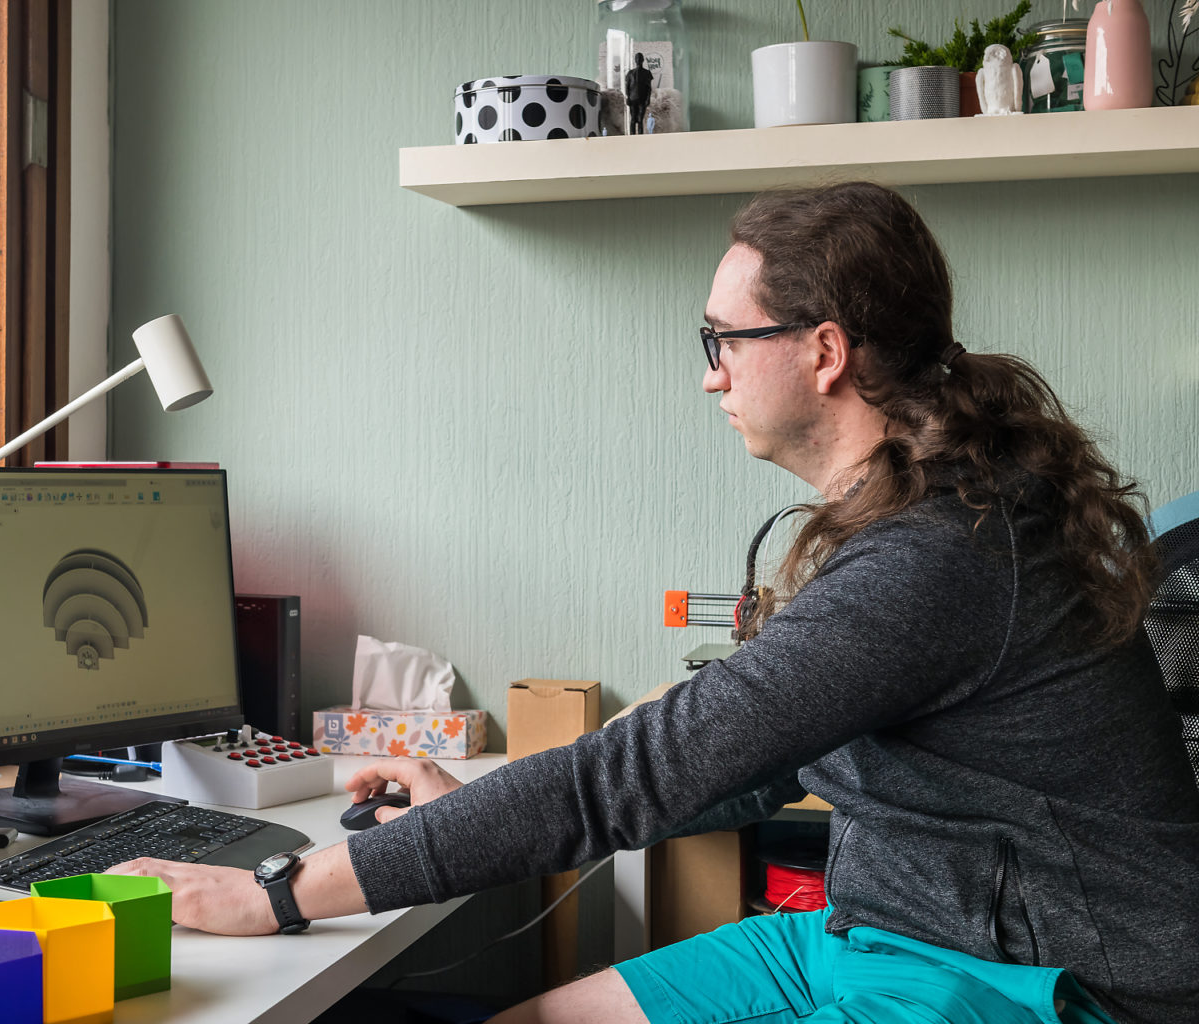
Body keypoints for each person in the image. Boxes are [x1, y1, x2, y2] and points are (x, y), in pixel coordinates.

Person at [111, 182, 1199, 1024]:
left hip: (1042, 979)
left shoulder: (940, 557)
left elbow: (626, 779)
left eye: (724, 340)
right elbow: (756, 756)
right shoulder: (922, 520)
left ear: (823, 351)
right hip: (890, 929)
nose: (711, 374)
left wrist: (280, 893)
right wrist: (457, 811)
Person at [625, 52, 652, 134]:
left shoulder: (647, 73)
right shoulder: (630, 73)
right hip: (633, 99)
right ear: (635, 60)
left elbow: (649, 88)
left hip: (642, 99)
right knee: (633, 119)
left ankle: (640, 137)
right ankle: (632, 136)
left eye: (640, 58)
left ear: (643, 60)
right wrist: (628, 97)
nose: (638, 60)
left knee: (640, 119)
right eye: (637, 58)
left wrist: (648, 99)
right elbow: (627, 87)